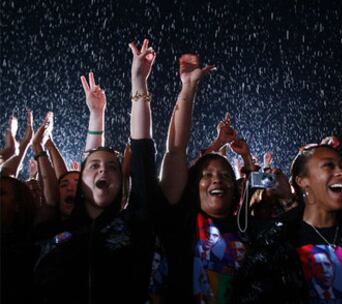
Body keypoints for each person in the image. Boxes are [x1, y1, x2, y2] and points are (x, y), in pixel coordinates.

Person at [33, 37, 158, 303]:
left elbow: (142, 148)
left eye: (113, 167)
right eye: (95, 167)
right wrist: (96, 114)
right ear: (81, 179)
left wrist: (139, 81)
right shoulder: (56, 230)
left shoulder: (135, 223)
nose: (103, 171)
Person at [232, 144, 342, 303]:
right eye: (328, 165)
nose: (341, 172)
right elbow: (242, 230)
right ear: (301, 181)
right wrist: (253, 181)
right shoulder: (276, 240)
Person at [157, 53, 246, 303]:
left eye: (225, 175)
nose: (216, 180)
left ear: (236, 187)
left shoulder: (250, 230)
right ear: (193, 186)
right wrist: (189, 87)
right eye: (206, 176)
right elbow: (175, 151)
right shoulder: (184, 221)